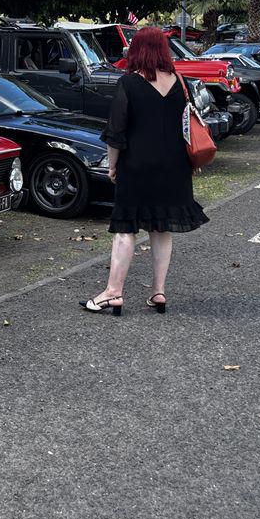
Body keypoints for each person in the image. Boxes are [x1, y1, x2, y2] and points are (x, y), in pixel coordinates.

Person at [82, 27, 208, 317]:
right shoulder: (179, 81)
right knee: (161, 228)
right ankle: (158, 291)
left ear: (137, 50)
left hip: (137, 165)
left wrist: (112, 166)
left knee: (125, 229)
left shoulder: (129, 83)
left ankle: (113, 292)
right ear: (163, 50)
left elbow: (116, 132)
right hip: (175, 167)